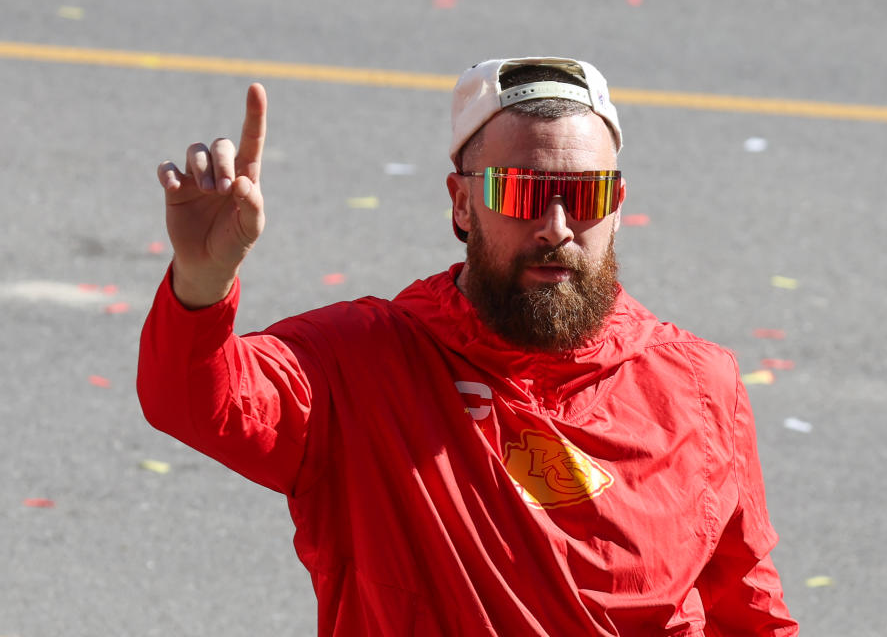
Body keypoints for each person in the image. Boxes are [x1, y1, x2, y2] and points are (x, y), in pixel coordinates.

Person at [138, 57, 799, 636]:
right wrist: (202, 279)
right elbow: (194, 399)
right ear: (461, 205)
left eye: (585, 194)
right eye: (522, 192)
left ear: (618, 203)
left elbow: (749, 612)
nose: (556, 227)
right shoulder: (361, 363)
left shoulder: (698, 383)